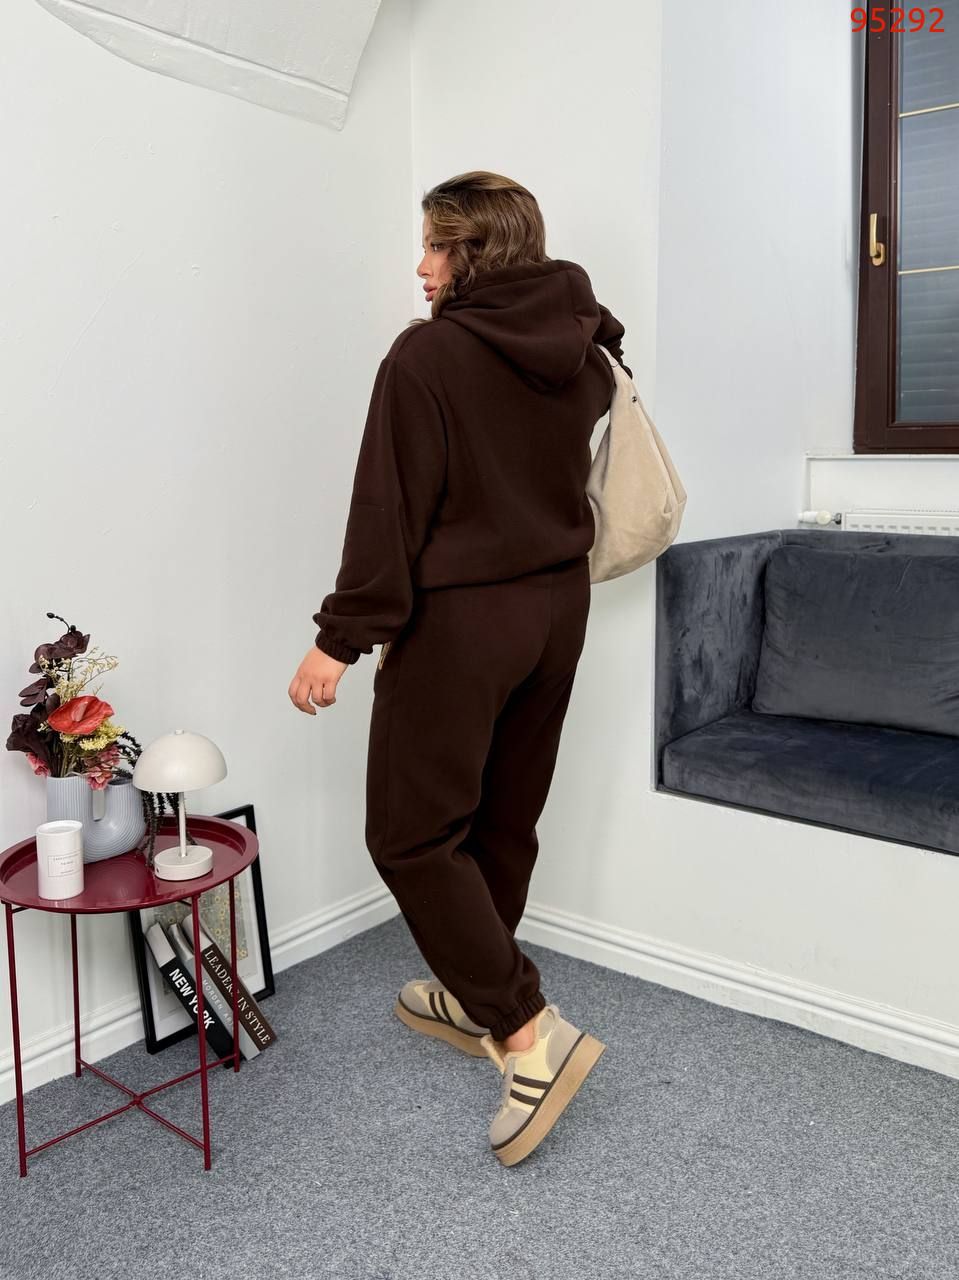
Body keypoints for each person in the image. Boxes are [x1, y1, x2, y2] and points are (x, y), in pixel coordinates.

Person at [288, 170, 631, 1166]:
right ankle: (476, 987)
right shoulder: (586, 348)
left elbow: (387, 508)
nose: (421, 266)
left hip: (465, 620)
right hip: (557, 608)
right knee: (500, 818)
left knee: (408, 833)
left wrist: (340, 637)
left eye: (438, 246)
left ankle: (524, 1031)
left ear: (476, 255)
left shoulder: (426, 356)